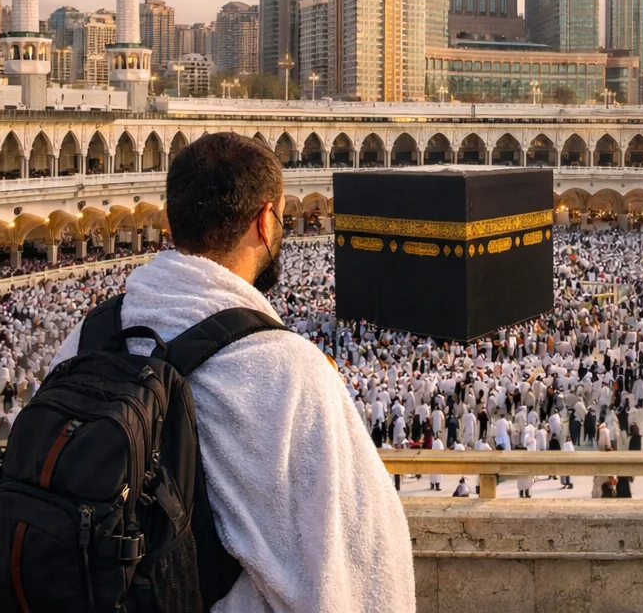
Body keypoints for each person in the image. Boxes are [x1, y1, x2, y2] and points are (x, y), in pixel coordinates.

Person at [49, 132, 414, 613]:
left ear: (168, 220)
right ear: (265, 222)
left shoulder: (85, 338)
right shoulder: (289, 371)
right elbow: (365, 562)